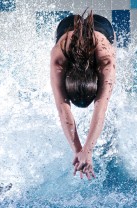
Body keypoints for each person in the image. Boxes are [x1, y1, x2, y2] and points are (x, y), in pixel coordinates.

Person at [50, 10, 116, 180]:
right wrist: (79, 150)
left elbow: (100, 108)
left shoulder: (105, 60)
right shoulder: (59, 58)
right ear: (67, 77)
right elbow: (63, 109)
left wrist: (87, 150)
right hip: (67, 28)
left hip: (101, 29)